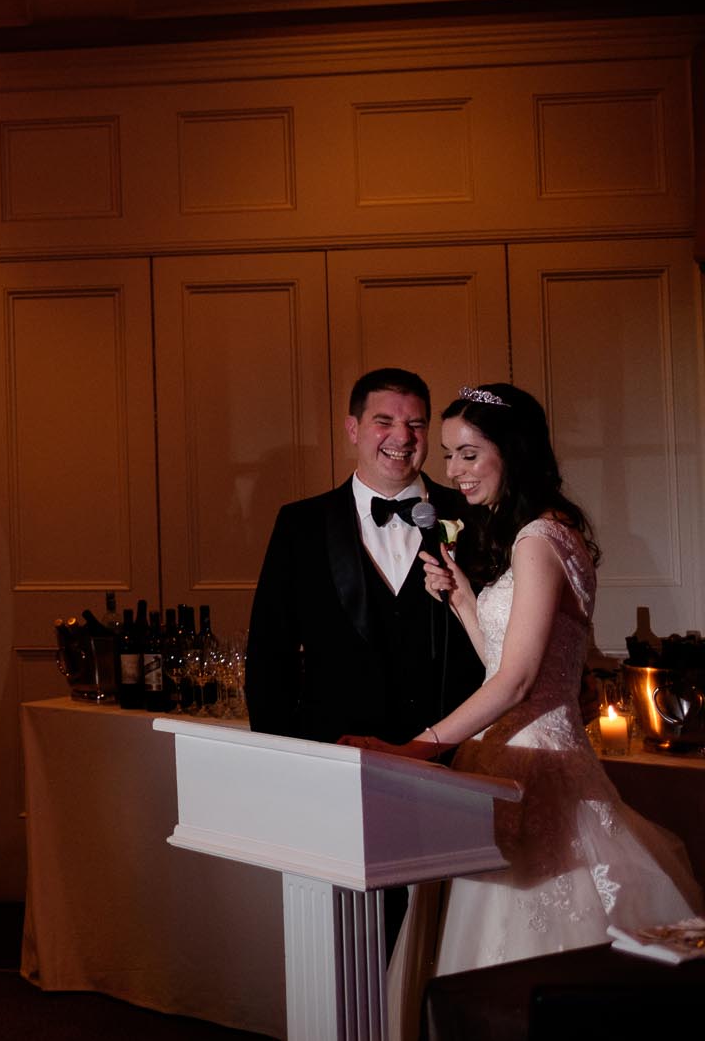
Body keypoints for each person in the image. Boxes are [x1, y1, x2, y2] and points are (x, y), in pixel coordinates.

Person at [344, 384, 700, 1035]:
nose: (453, 471)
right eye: (450, 454)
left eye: (470, 453)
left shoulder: (537, 539)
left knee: (518, 977)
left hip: (536, 775)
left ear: (514, 452)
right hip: (509, 765)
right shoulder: (550, 533)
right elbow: (504, 660)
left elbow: (517, 682)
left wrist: (416, 748)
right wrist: (463, 600)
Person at [246, 368, 484, 746]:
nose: (402, 437)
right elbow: (269, 655)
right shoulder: (300, 525)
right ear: (353, 429)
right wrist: (279, 757)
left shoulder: (474, 515)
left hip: (457, 758)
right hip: (333, 758)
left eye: (416, 424)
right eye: (384, 421)